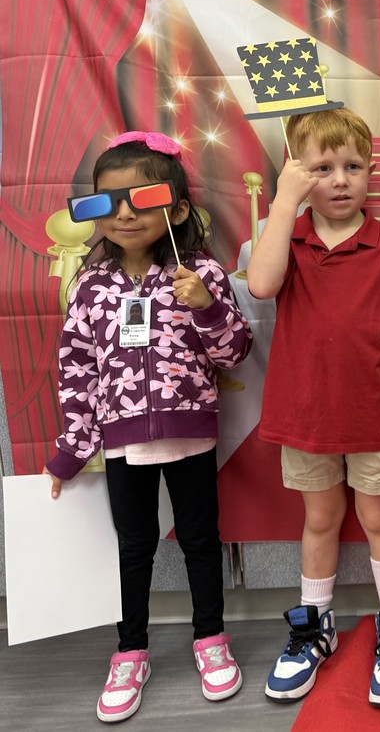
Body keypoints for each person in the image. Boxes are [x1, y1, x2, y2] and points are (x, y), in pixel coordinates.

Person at [46, 131, 253, 724]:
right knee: (133, 548)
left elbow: (236, 352)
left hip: (192, 436)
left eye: (140, 198)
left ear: (177, 208)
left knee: (200, 541)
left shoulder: (204, 274)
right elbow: (77, 369)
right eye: (107, 202)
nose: (123, 214)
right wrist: (71, 448)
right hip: (121, 439)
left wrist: (206, 307)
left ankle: (210, 640)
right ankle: (130, 650)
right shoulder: (89, 286)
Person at [247, 107, 380, 707]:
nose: (340, 179)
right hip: (305, 415)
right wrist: (284, 200)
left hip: (376, 415)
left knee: (379, 519)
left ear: (370, 170)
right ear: (297, 173)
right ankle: (314, 626)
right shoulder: (290, 239)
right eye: (321, 168)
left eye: (352, 166)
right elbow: (261, 284)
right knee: (320, 521)